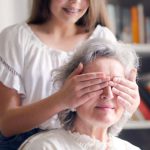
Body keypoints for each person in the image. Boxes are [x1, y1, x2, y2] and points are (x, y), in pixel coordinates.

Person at [0, 0, 140, 149]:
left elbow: (105, 116)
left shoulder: (102, 36)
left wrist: (130, 103)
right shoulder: (17, 37)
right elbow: (6, 125)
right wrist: (62, 100)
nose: (75, 2)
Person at [19, 38, 141, 150]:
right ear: (71, 91)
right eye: (96, 84)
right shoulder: (44, 147)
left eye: (116, 86)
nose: (108, 94)